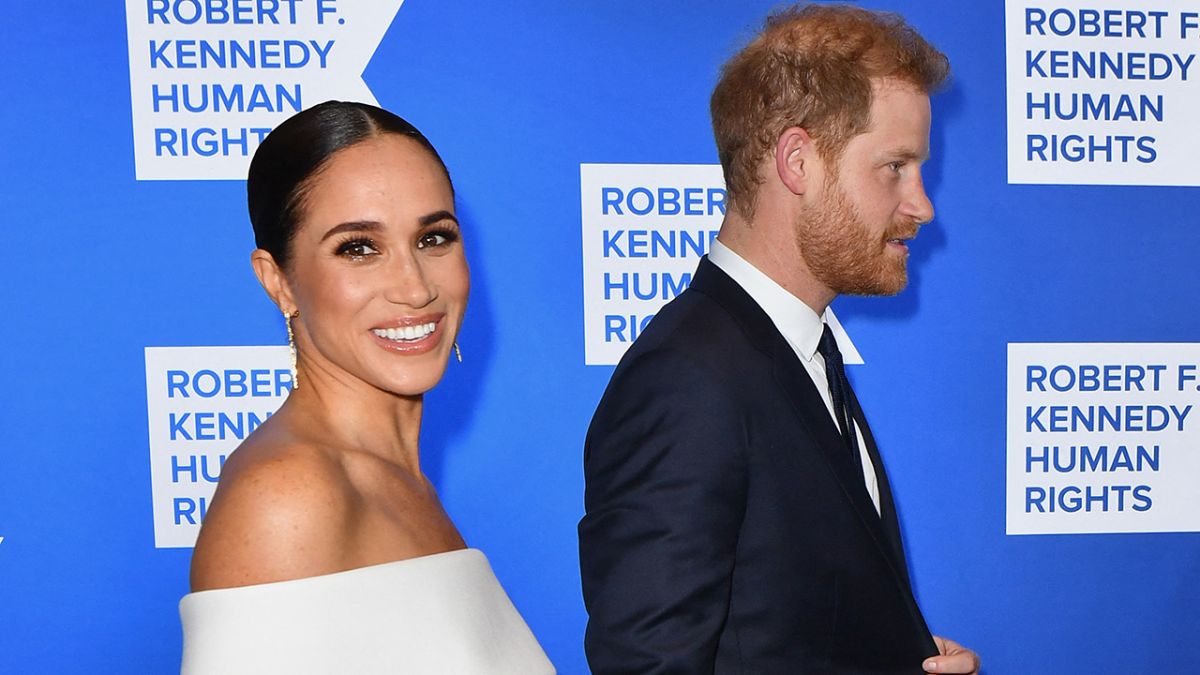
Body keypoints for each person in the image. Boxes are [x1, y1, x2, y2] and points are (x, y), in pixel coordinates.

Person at [579, 5, 980, 674]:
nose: (922, 203)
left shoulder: (792, 350)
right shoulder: (688, 377)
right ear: (798, 161)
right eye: (894, 167)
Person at [180, 101, 554, 674]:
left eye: (434, 238)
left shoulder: (397, 480)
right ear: (277, 281)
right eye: (359, 247)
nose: (414, 287)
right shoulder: (288, 497)